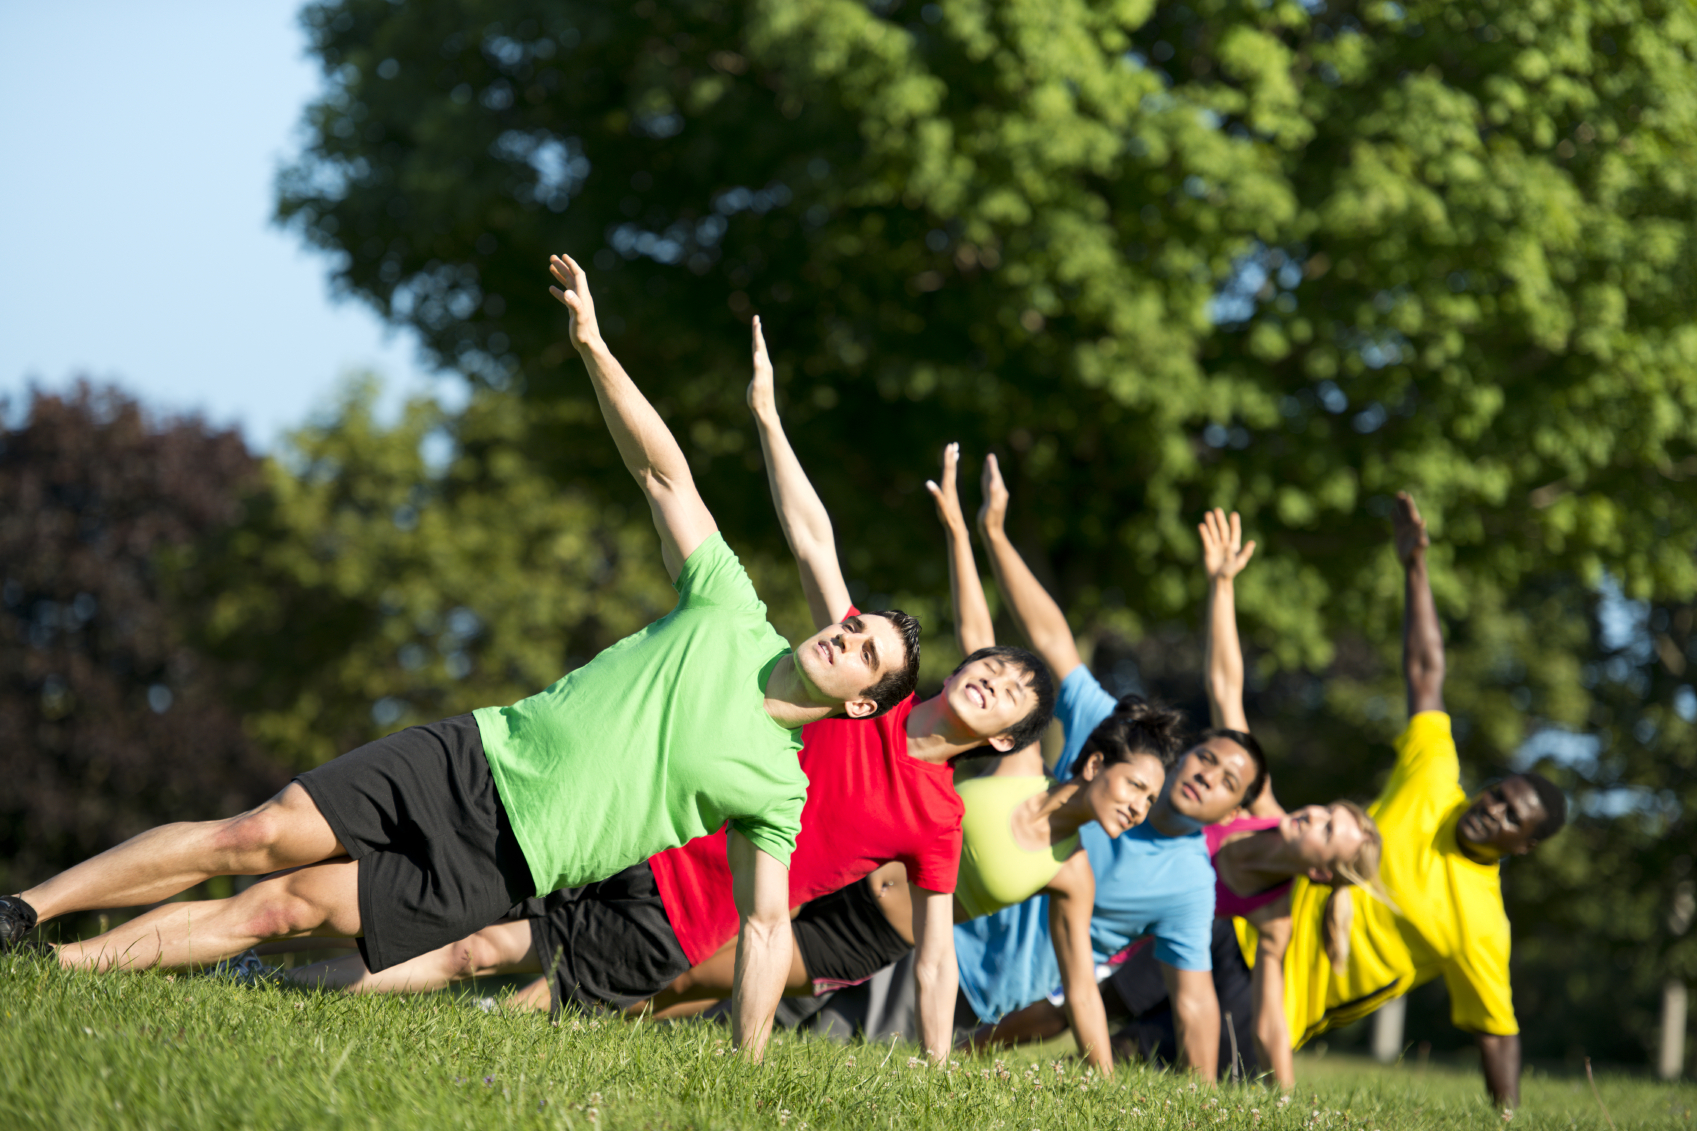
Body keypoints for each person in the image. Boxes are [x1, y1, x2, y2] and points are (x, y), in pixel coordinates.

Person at [0, 256, 923, 1062]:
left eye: (863, 651)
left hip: (505, 866)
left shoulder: (778, 789)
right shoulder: (730, 607)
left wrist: (748, 1069)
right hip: (470, 759)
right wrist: (594, 348)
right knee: (254, 835)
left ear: (860, 703)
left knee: (283, 910)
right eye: (852, 625)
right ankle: (23, 914)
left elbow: (763, 927)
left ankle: (65, 968)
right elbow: (663, 474)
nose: (843, 636)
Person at [277, 335, 1057, 1066]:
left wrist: (934, 1066)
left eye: (1014, 694)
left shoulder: (934, 811)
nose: (996, 680)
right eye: (996, 665)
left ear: (1002, 740)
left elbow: (935, 955)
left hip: (684, 914)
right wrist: (767, 418)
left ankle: (316, 1005)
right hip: (627, 822)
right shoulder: (864, 680)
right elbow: (813, 540)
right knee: (445, 918)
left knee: (479, 957)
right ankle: (263, 969)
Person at [642, 448, 1179, 1073]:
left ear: (1005, 736)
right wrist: (964, 534)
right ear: (1094, 766)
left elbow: (1074, 983)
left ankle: (610, 1011)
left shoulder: (1065, 869)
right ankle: (611, 1006)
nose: (1140, 807)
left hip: (869, 933)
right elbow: (982, 644)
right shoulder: (1019, 769)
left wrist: (1100, 1076)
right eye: (1136, 787)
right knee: (699, 963)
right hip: (834, 873)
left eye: (1149, 802)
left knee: (700, 980)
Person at [950, 458, 1270, 1082]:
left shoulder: (1188, 883)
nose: (1207, 775)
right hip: (932, 926)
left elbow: (1194, 1000)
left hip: (988, 1002)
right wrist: (993, 534)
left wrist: (1202, 1101)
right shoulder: (1116, 736)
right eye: (1206, 757)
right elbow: (1051, 637)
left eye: (1227, 783)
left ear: (1233, 813)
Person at [1264, 492, 1567, 1109]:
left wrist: (1506, 1118)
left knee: (1145, 1051)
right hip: (1242, 917)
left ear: (1524, 846)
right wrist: (1415, 567)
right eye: (1498, 794)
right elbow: (1426, 670)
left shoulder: (1481, 925)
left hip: (1276, 1011)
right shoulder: (1433, 775)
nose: (1493, 809)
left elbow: (1496, 1032)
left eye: (1512, 816)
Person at [1099, 508, 1389, 1087]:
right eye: (1326, 812)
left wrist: (1285, 1098)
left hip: (1127, 944)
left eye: (1327, 831)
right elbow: (1226, 687)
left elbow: (1271, 1021)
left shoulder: (1272, 916)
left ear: (1322, 873)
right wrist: (1222, 585)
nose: (1314, 815)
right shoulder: (1256, 802)